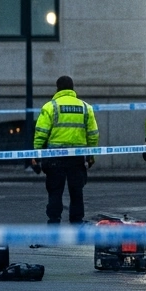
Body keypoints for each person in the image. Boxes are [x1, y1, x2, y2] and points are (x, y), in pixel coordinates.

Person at [31, 75, 99, 225]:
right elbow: (93, 134)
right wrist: (91, 155)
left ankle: (54, 221)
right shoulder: (85, 107)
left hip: (55, 157)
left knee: (55, 191)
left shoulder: (50, 107)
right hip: (77, 156)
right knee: (76, 191)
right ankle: (77, 221)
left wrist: (36, 154)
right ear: (72, 88)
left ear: (57, 88)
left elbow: (41, 133)